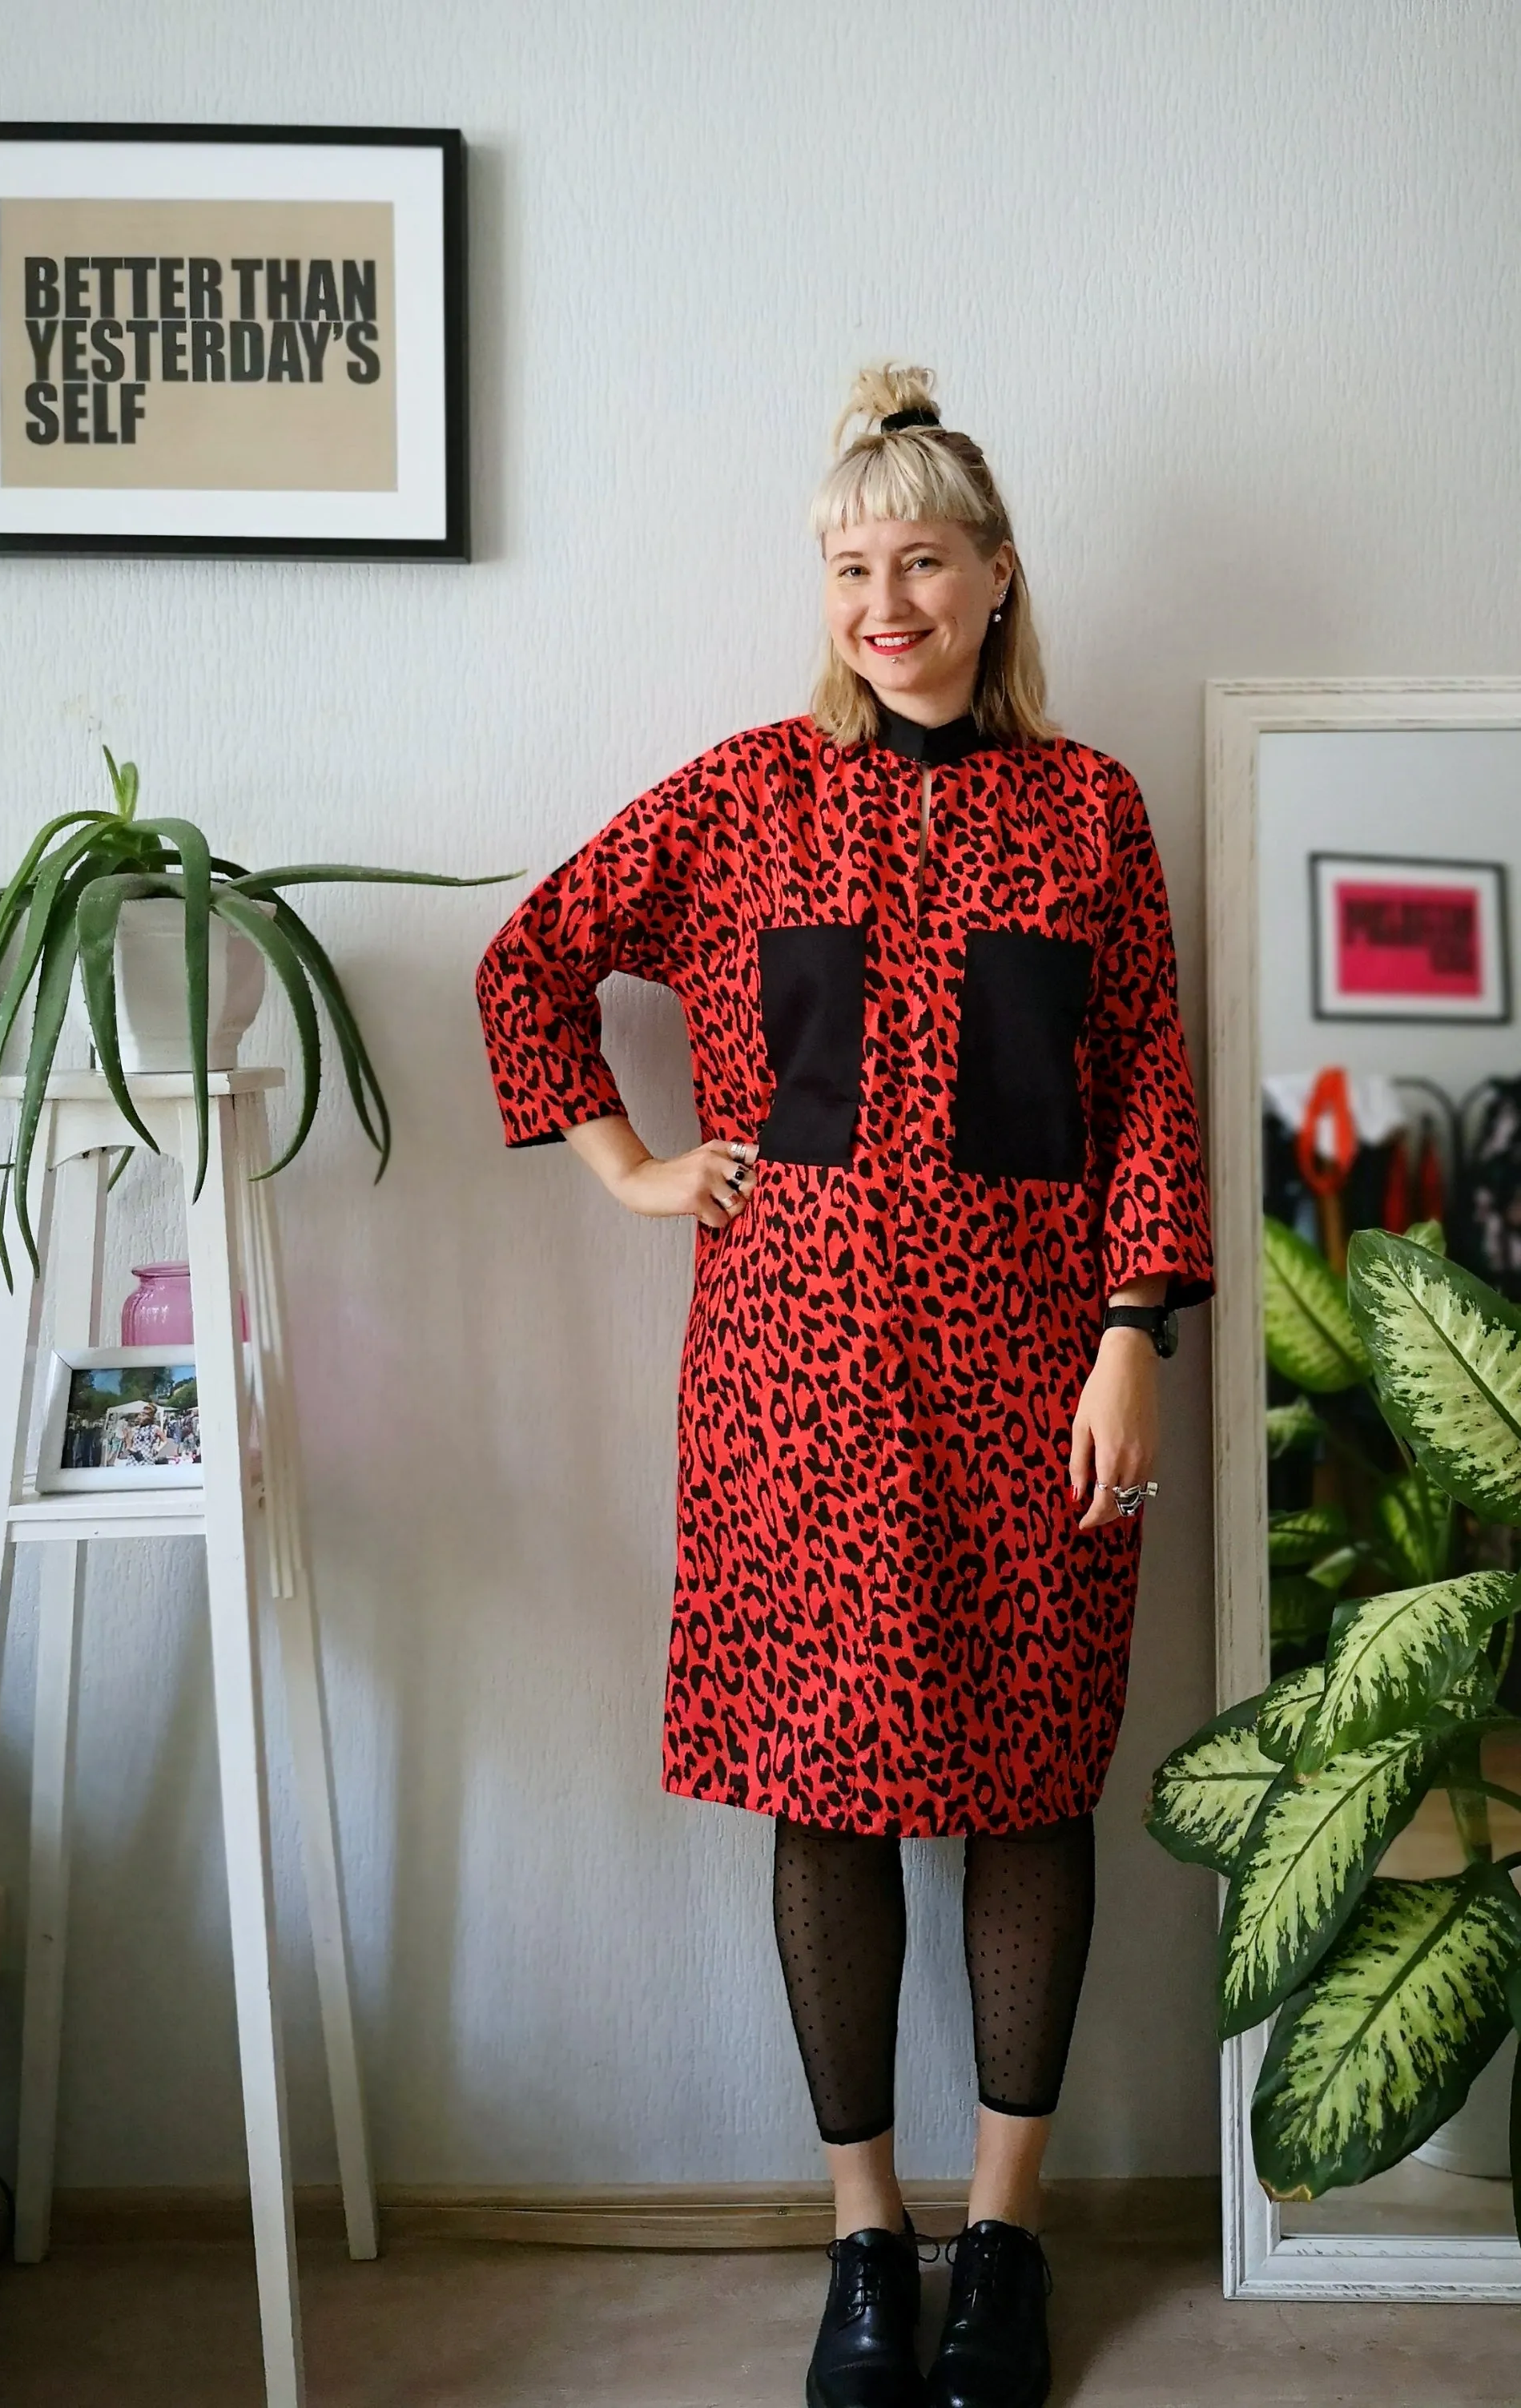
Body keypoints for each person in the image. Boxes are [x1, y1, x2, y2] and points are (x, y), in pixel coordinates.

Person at [475, 364, 1213, 2408]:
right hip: (790, 1395)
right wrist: (628, 1167)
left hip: (1040, 1390)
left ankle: (1007, 2243)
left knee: (1028, 1787)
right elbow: (526, 959)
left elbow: (1145, 1078)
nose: (884, 602)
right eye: (850, 566)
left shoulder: (1093, 810)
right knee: (825, 1797)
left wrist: (1136, 1332)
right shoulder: (737, 799)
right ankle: (865, 2245)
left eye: (922, 562)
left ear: (995, 579)